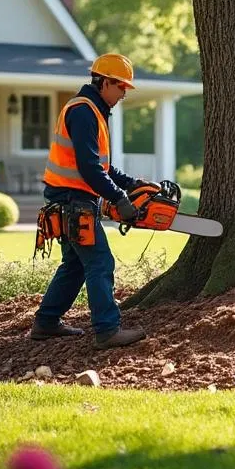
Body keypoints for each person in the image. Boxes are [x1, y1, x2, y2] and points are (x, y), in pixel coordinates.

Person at [32, 53, 151, 348]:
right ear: (105, 82)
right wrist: (119, 198)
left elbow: (104, 167)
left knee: (74, 265)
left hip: (69, 197)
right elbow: (89, 169)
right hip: (73, 199)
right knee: (100, 262)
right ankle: (107, 330)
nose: (124, 94)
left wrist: (133, 184)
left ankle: (46, 322)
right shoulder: (85, 111)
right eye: (121, 87)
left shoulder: (93, 110)